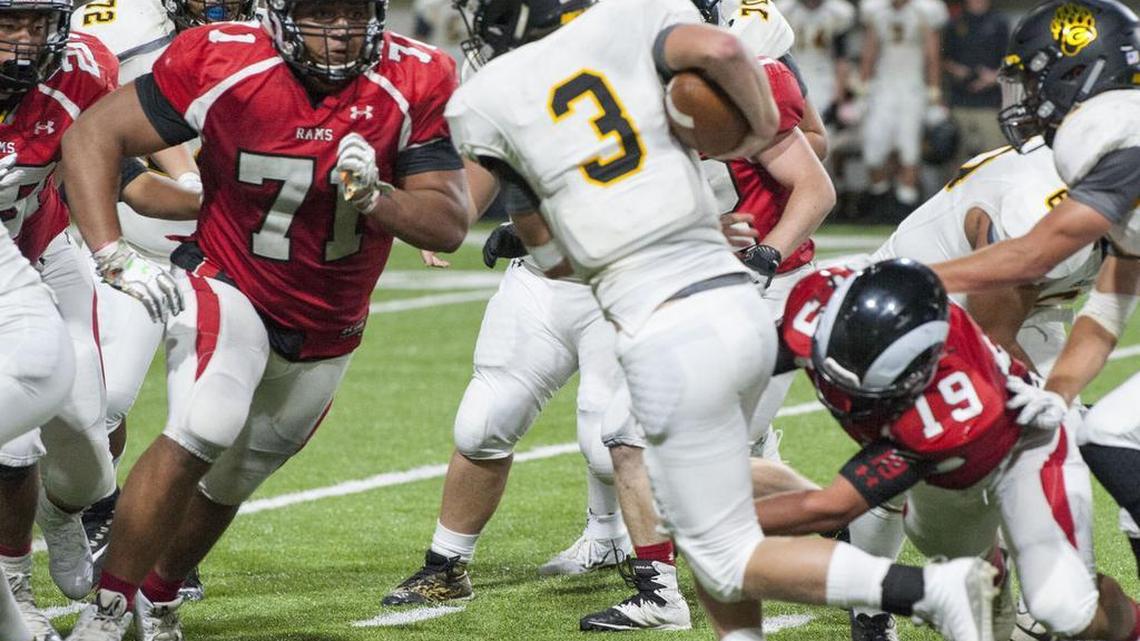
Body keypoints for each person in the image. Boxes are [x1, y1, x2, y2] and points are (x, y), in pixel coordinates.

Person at [444, 2, 997, 641]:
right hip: (726, 295)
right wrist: (740, 148)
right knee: (705, 505)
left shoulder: (497, 100)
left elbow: (555, 258)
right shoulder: (637, 39)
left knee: (690, 507)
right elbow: (725, 55)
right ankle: (813, 560)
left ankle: (922, 590)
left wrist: (552, 220)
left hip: (683, 314)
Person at [58, 0, 471, 638]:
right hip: (230, 278)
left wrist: (378, 196)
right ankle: (107, 610)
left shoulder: (417, 74)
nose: (339, 30)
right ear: (279, 14)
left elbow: (447, 224)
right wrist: (110, 251)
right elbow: (92, 135)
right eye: (320, 13)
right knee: (203, 424)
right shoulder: (223, 58)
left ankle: (158, 599)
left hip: (332, 315)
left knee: (235, 476)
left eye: (355, 14)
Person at [753, 259, 1140, 641]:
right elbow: (755, 355)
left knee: (1065, 609)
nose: (845, 390)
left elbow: (834, 507)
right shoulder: (826, 304)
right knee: (964, 582)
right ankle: (992, 566)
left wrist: (723, 525)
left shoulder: (951, 408)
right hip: (945, 474)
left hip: (1024, 449)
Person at [929, 0, 1140, 583]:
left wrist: (920, 277)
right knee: (1108, 429)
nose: (1025, 95)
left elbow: (1035, 253)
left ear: (1076, 71)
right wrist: (1059, 393)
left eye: (1033, 77)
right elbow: (1110, 302)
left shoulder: (1106, 126)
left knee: (1114, 431)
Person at [69, 0, 258, 601]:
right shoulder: (119, 21)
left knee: (205, 420)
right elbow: (115, 126)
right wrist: (193, 182)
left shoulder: (286, 32)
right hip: (138, 242)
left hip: (229, 257)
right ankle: (97, 510)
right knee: (102, 401)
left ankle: (168, 554)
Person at [856, 0, 947, 216]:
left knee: (909, 149)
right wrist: (862, 91)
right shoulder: (877, 11)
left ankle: (905, 204)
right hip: (883, 88)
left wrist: (934, 95)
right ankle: (881, 198)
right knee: (873, 149)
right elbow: (869, 53)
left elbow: (932, 56)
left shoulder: (925, 11)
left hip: (912, 88)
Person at [941, 0, 1009, 166]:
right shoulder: (954, 23)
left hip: (990, 104)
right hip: (959, 102)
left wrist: (993, 77)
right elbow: (942, 58)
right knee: (959, 162)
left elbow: (1012, 60)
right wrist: (957, 70)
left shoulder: (1000, 23)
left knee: (993, 160)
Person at [782, 0, 855, 118]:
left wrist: (838, 98)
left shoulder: (837, 13)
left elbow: (841, 59)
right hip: (793, 73)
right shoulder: (785, 11)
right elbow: (779, 56)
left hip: (824, 76)